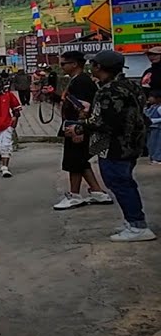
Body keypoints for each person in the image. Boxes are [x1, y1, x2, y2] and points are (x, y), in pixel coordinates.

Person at [66, 50, 157, 242]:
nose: (91, 67)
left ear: (99, 67)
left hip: (117, 144)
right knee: (122, 181)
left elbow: (107, 123)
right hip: (131, 142)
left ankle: (137, 225)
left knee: (120, 182)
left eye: (94, 64)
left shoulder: (109, 91)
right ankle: (131, 220)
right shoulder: (129, 86)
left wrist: (81, 126)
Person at [52, 51, 114, 210]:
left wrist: (78, 130)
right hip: (74, 126)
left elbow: (84, 109)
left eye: (63, 64)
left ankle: (74, 195)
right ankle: (97, 192)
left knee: (73, 161)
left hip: (78, 128)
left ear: (74, 64)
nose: (61, 67)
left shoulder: (81, 82)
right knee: (80, 161)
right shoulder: (77, 80)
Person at [147, 90, 161, 164]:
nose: (149, 99)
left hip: (158, 128)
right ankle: (153, 157)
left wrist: (154, 120)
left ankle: (158, 158)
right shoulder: (152, 107)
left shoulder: (159, 108)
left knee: (157, 143)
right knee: (151, 144)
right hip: (151, 128)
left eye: (151, 97)